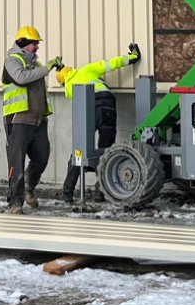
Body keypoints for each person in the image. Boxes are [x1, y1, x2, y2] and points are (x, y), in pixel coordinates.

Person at [56, 42, 140, 201]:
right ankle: (102, 191)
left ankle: (67, 193)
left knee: (79, 152)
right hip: (109, 105)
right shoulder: (86, 70)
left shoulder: (68, 88)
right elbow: (109, 64)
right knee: (105, 151)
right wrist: (132, 57)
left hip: (91, 109)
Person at [2, 26, 62, 210]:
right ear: (23, 44)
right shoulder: (12, 61)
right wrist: (47, 68)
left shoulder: (35, 64)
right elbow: (20, 78)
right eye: (34, 43)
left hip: (38, 121)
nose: (37, 47)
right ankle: (15, 202)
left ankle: (28, 188)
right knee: (16, 163)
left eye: (37, 43)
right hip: (19, 121)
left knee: (42, 157)